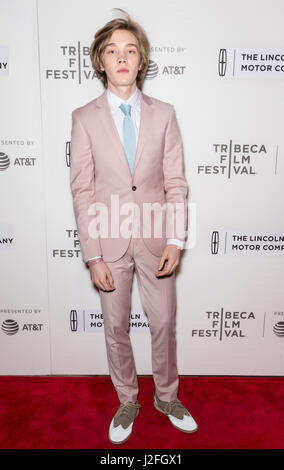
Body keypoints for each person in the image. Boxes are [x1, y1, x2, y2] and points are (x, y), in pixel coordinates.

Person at [70, 8, 198, 445]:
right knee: (115, 326)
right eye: (112, 50)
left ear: (141, 59)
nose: (121, 57)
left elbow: (176, 181)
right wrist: (93, 254)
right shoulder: (83, 117)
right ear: (99, 61)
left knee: (163, 323)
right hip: (108, 240)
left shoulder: (164, 113)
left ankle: (167, 397)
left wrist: (176, 239)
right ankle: (128, 399)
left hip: (155, 238)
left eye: (130, 49)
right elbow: (82, 190)